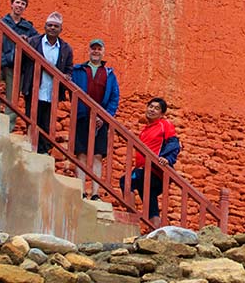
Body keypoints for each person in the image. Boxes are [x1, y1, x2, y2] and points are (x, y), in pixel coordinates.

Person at [70, 39, 120, 200]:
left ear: (103, 52)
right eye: (93, 49)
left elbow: (114, 97)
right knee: (81, 154)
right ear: (89, 51)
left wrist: (105, 117)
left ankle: (96, 192)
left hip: (101, 119)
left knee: (98, 155)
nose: (96, 52)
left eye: (99, 49)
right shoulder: (78, 70)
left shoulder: (109, 74)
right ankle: (81, 190)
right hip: (82, 116)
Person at [20, 11, 73, 154]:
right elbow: (23, 61)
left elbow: (69, 67)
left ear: (61, 29)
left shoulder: (66, 49)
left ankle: (43, 150)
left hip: (51, 92)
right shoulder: (33, 42)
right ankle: (31, 147)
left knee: (46, 122)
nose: (52, 28)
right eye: (50, 25)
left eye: (56, 26)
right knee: (31, 118)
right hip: (33, 88)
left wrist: (67, 75)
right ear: (45, 27)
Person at [122, 97, 177, 227]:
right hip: (144, 171)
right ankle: (155, 231)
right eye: (150, 107)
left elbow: (174, 143)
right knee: (150, 200)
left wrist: (167, 159)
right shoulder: (145, 130)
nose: (152, 110)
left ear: (162, 114)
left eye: (156, 108)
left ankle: (131, 219)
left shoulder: (164, 125)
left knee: (125, 181)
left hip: (155, 171)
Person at [0, 0, 38, 128]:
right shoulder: (1, 23)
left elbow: (35, 44)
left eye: (23, 4)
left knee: (13, 96)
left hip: (17, 67)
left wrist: (27, 41)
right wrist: (9, 58)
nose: (19, 6)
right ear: (12, 4)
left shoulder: (28, 28)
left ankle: (8, 126)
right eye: (18, 2)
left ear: (25, 8)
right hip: (0, 62)